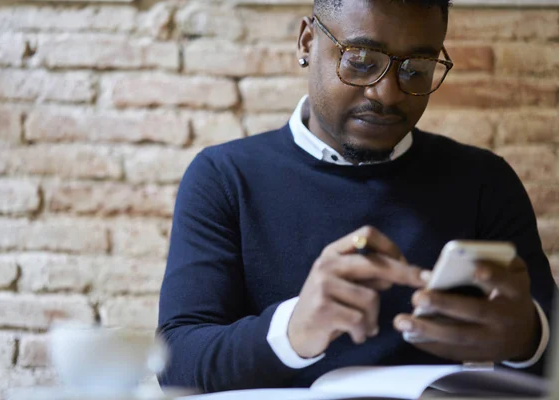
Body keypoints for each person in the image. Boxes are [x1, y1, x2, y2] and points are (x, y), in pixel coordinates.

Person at [157, 0, 555, 393]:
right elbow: (175, 362)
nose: (387, 93)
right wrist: (293, 331)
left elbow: (547, 350)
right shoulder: (224, 177)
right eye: (361, 61)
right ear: (307, 43)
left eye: (416, 70)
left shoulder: (484, 181)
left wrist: (528, 340)